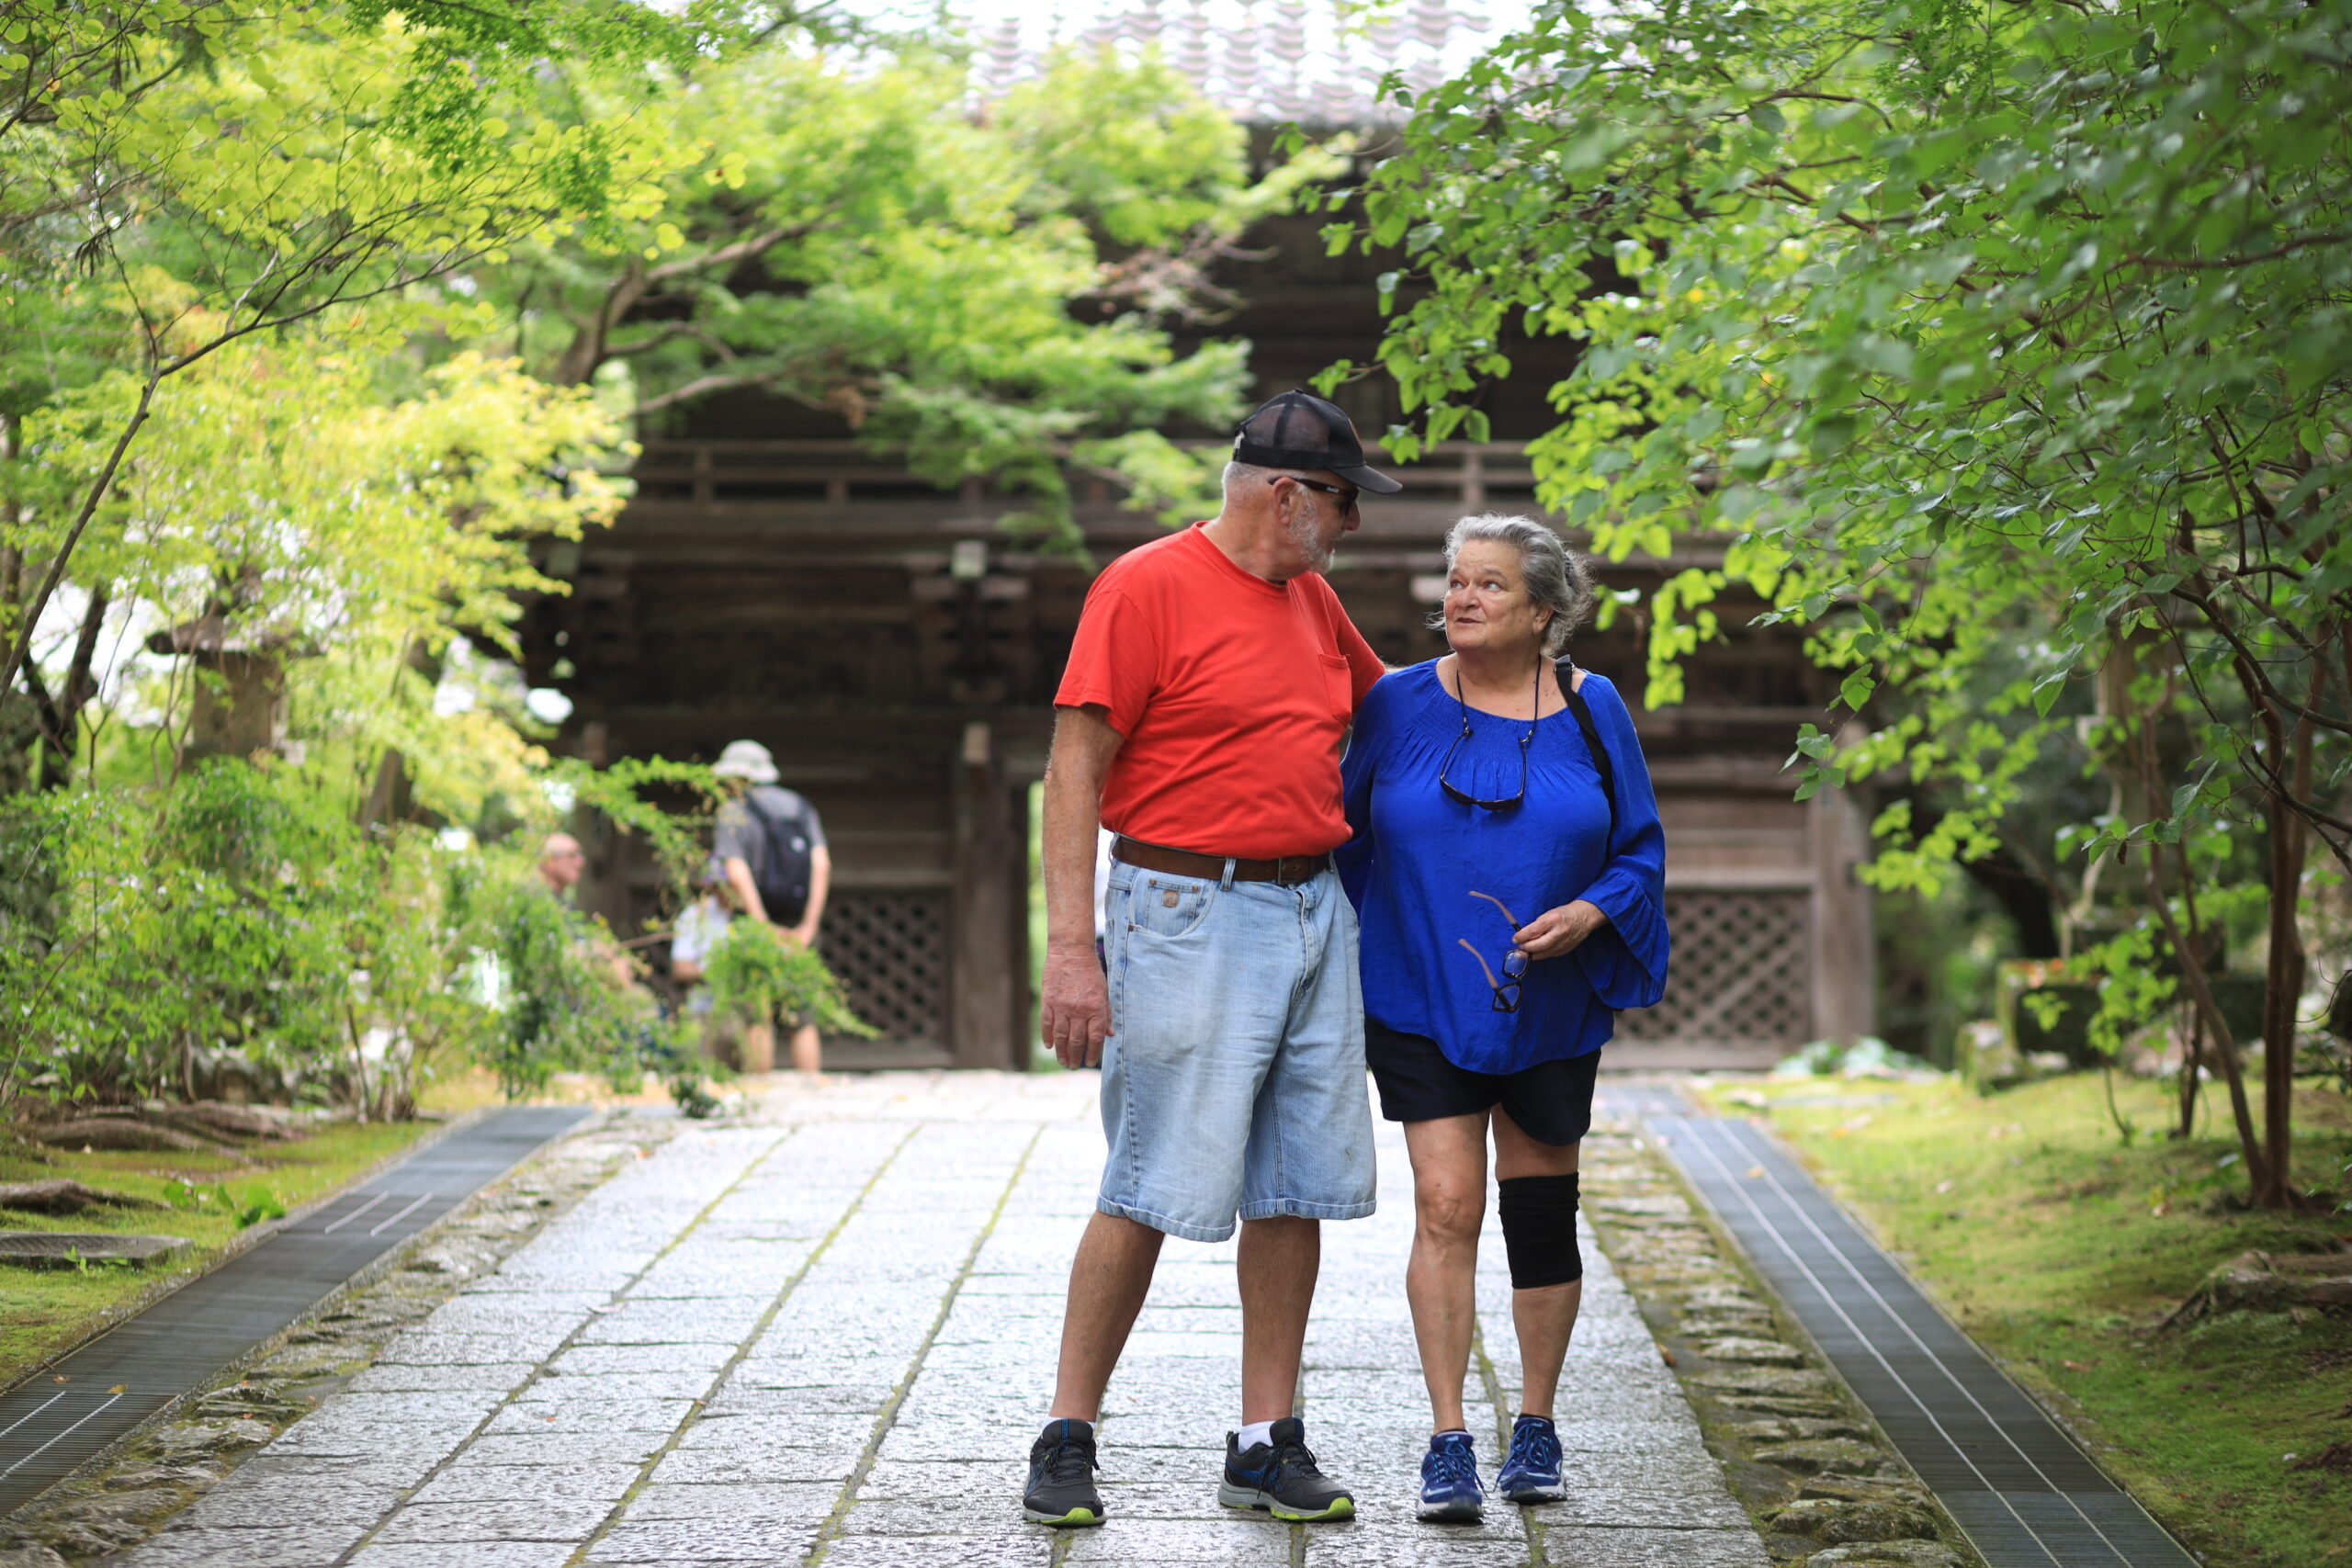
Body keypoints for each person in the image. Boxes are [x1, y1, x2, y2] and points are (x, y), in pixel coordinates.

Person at [1024, 389, 1400, 1530]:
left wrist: (1535, 689)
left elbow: (1398, 721)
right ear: (1286, 496)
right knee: (1146, 1178)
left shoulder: (1313, 600)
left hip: (1309, 910)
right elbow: (1073, 770)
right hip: (1184, 906)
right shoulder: (1143, 586)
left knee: (1294, 1186)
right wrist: (1070, 952)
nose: (1351, 527)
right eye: (1341, 503)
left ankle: (1261, 1438)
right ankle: (1068, 1431)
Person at [1336, 514, 1668, 1524]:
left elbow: (1641, 849)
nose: (1461, 598)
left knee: (1537, 1212)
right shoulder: (1393, 702)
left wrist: (1589, 911)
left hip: (1550, 1000)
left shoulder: (1591, 704)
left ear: (1544, 611)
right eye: (1455, 581)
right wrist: (1401, 929)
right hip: (1420, 988)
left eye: (1487, 585)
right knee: (1445, 1206)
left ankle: (1535, 1423)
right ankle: (1447, 1439)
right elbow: (1341, 832)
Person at [709, 739, 831, 1074]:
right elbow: (821, 864)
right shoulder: (801, 807)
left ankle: (761, 1094)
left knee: (756, 1012)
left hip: (755, 923)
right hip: (797, 921)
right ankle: (811, 1088)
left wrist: (761, 924)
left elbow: (735, 869)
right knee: (802, 1014)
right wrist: (809, 926)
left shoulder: (733, 811)